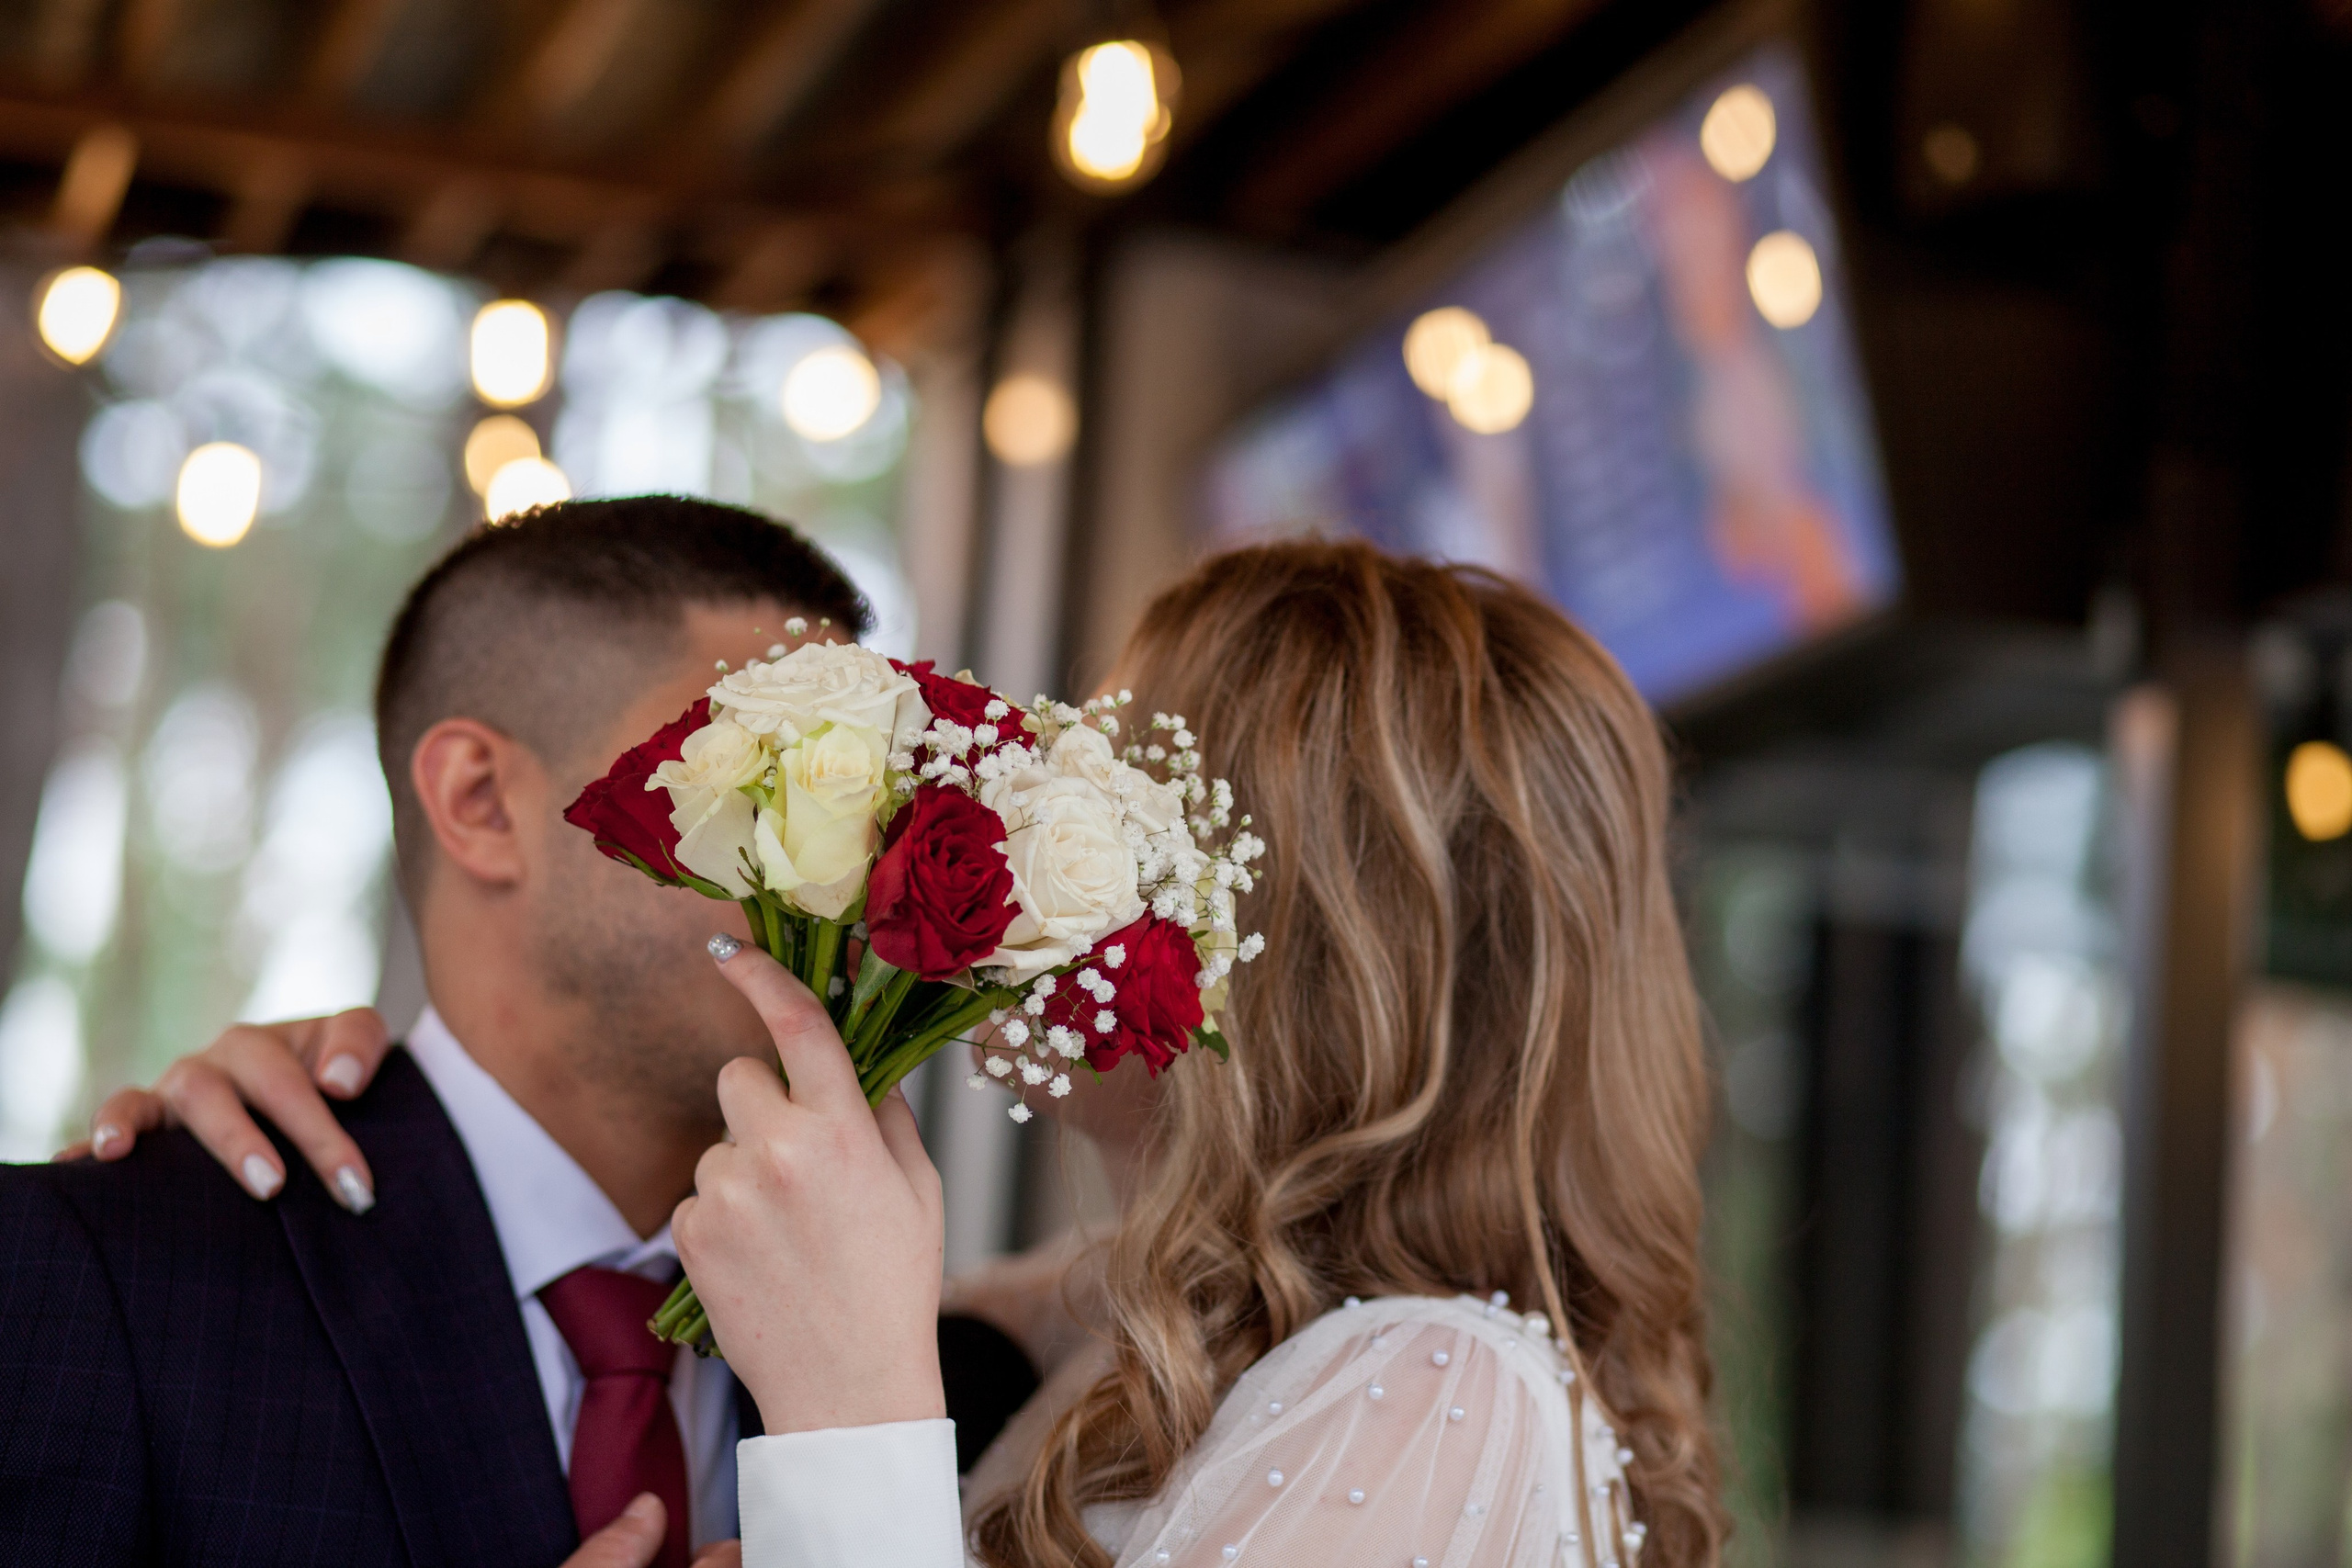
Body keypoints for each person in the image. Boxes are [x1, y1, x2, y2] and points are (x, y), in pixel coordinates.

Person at [114, 541, 1728, 1566]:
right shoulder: (1095, 1326)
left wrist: (854, 1419)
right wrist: (334, 1094)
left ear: (1286, 931)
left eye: (1080, 804)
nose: (978, 834)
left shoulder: (1439, 1387)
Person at [0, 497, 876, 1568]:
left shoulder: (906, 1361)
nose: (858, 865)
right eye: (777, 781)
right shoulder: (97, 1280)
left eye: (870, 801)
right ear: (481, 802)